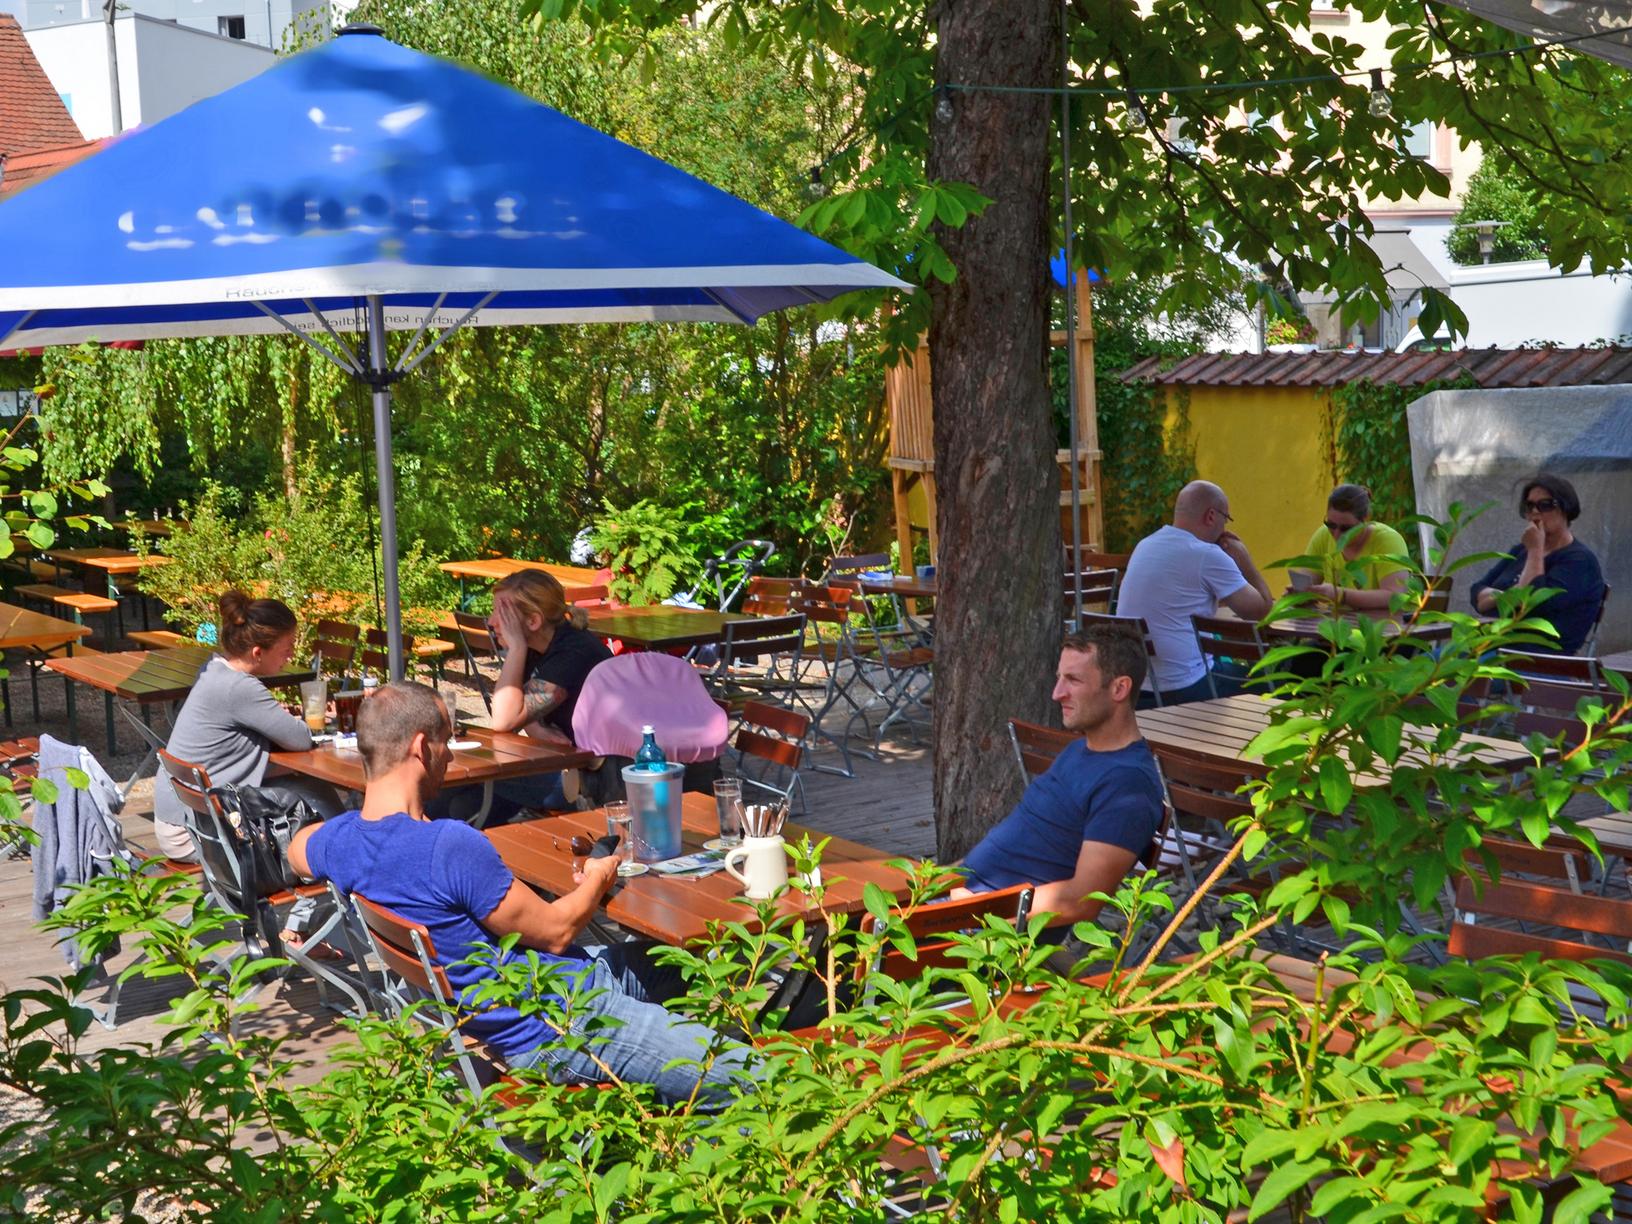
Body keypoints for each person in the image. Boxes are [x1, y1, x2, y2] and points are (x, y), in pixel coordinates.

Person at [287, 682, 755, 1106]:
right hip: (563, 1025)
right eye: (446, 741)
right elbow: (555, 931)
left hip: (564, 988)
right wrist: (599, 873)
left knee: (702, 962)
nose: (450, 756)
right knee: (757, 1078)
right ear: (420, 748)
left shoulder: (342, 840)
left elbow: (296, 850)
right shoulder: (449, 846)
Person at [951, 623, 1164, 927]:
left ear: (1119, 688)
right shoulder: (1078, 751)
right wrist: (937, 882)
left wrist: (966, 911)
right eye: (1059, 679)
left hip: (984, 929)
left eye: (1073, 680)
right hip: (958, 900)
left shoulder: (1127, 784)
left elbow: (1081, 901)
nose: (1056, 694)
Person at [153, 591, 343, 862]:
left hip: (183, 817)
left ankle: (338, 848)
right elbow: (301, 739)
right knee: (313, 801)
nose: (291, 654)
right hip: (195, 833)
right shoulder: (239, 687)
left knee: (306, 787)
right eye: (287, 646)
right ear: (257, 652)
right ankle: (343, 855)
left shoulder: (214, 670)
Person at [463, 568, 612, 820]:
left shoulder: (573, 652)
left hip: (594, 779)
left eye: (502, 613)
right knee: (462, 801)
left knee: (476, 781)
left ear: (533, 621)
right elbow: (518, 711)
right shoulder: (539, 645)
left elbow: (504, 720)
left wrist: (517, 647)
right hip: (565, 764)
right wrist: (537, 728)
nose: (491, 622)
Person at [1115, 480, 1272, 706]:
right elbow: (1261, 611)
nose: (1225, 528)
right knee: (1280, 688)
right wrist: (1244, 561)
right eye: (1225, 519)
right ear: (1211, 516)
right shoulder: (1205, 554)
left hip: (1139, 690)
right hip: (1186, 688)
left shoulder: (1145, 545)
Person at [1471, 473, 1605, 655]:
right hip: (1493, 647)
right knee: (1428, 665)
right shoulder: (1521, 550)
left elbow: (1534, 604)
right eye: (1529, 505)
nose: (1535, 512)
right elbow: (1477, 593)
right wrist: (1511, 594)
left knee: (1457, 677)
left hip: (1537, 661)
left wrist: (1535, 550)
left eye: (1545, 505)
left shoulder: (1579, 561)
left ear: (1566, 509)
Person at [1291, 484, 1412, 612]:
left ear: (1366, 519)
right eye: (1330, 524)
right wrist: (1299, 594)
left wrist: (1341, 595)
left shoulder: (1388, 541)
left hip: (1394, 625)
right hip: (1345, 622)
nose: (1337, 534)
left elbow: (1396, 597)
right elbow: (1307, 583)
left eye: (1346, 528)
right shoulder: (1323, 535)